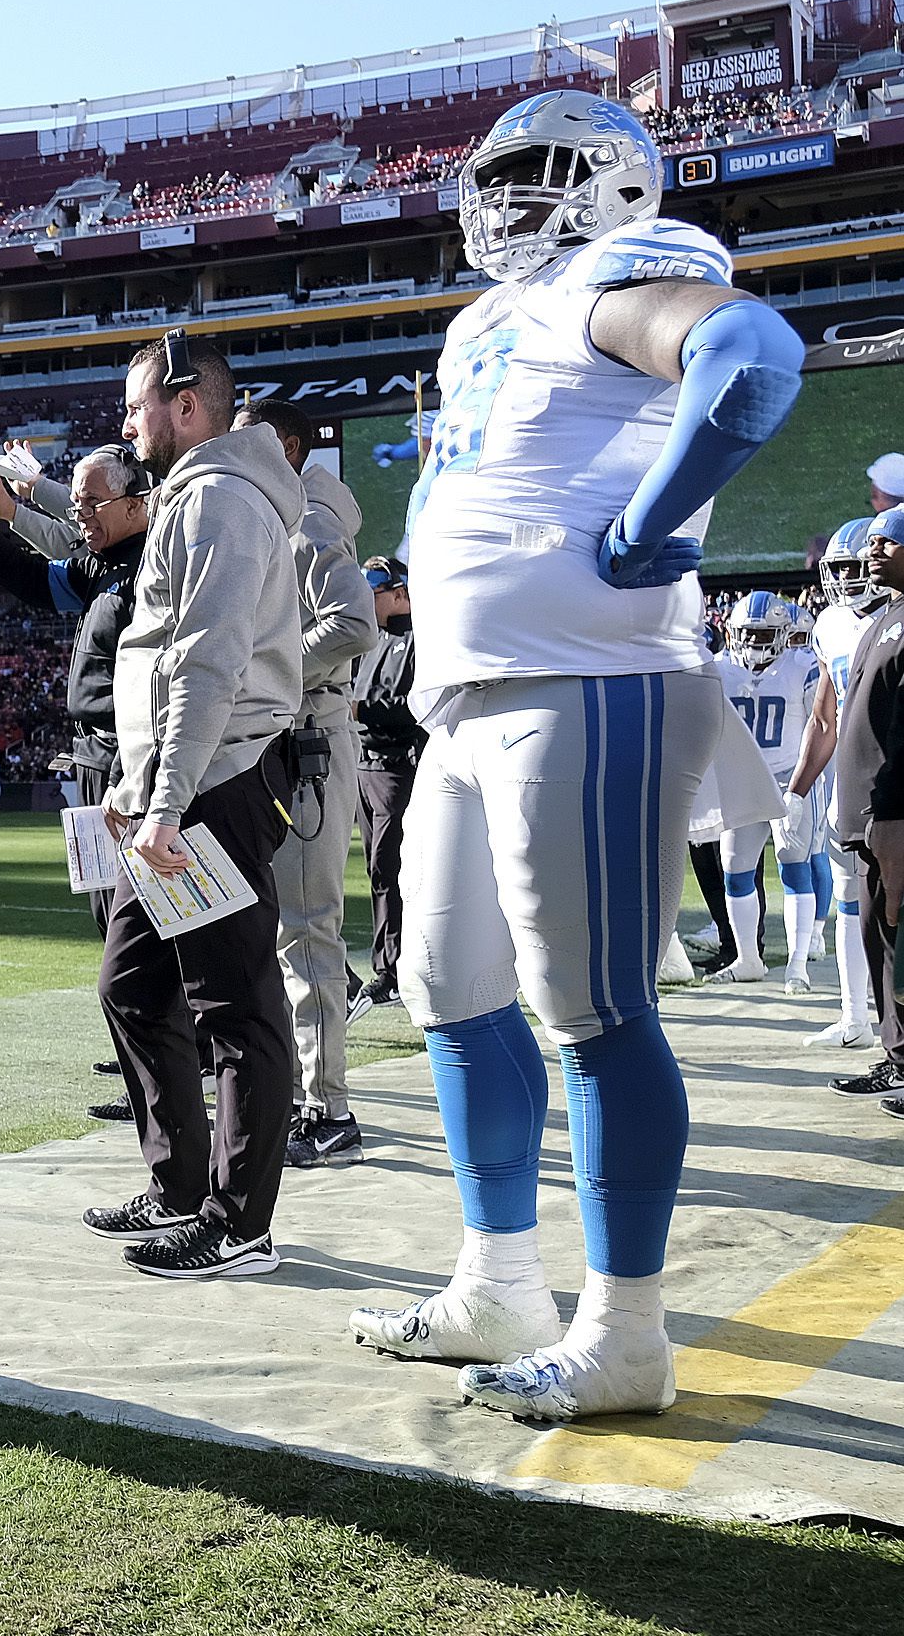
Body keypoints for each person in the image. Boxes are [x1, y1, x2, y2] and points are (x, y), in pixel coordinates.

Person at [349, 90, 804, 1421]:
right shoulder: (485, 319)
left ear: (610, 182)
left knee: (593, 1011)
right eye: (495, 176)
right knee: (448, 987)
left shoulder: (625, 264)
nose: (503, 199)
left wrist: (658, 521)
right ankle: (499, 1283)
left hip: (593, 677)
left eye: (536, 173)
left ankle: (627, 1333)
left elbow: (752, 357)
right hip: (470, 696)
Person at [80, 330, 305, 1279]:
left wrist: (164, 799)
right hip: (176, 786)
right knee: (130, 984)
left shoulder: (216, 498)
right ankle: (180, 1184)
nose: (126, 426)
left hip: (212, 783)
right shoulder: (197, 495)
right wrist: (141, 792)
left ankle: (237, 1221)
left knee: (235, 1006)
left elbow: (206, 660)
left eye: (135, 407)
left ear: (186, 402)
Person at [0, 442, 153, 1122]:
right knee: (110, 918)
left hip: (129, 761)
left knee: (143, 929)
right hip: (91, 758)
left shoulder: (157, 562)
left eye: (90, 504)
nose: (78, 515)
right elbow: (34, 582)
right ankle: (148, 1063)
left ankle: (169, 1070)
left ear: (138, 502)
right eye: (75, 504)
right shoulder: (101, 562)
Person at [230, 398, 377, 1168]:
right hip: (287, 732)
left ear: (284, 446)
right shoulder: (286, 511)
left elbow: (354, 625)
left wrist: (270, 672)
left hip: (308, 736)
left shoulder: (310, 518)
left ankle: (331, 1110)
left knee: (308, 927)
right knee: (280, 928)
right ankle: (299, 1095)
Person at [803, 517, 893, 1049]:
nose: (845, 579)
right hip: (850, 787)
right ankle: (855, 1015)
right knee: (849, 903)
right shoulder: (830, 625)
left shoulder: (897, 618)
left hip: (891, 783)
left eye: (855, 567)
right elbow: (824, 717)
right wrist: (795, 794)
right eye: (836, 568)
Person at [825, 510, 904, 1113]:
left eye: (886, 541)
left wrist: (891, 816)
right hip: (867, 817)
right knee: (877, 937)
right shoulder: (885, 618)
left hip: (892, 818)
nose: (872, 550)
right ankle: (896, 1052)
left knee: (898, 939)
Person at [707, 592, 824, 986]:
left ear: (783, 633)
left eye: (764, 635)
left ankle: (797, 965)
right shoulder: (720, 668)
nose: (754, 644)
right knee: (735, 874)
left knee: (795, 869)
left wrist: (805, 785)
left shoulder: (802, 665)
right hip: (743, 779)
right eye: (746, 634)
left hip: (790, 779)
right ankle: (748, 959)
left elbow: (821, 725)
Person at [349, 556, 420, 1017]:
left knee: (393, 867)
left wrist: (360, 709)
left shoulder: (421, 637)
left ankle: (401, 969)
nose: (365, 604)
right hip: (364, 764)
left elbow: (415, 705)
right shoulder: (367, 638)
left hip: (399, 767)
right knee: (379, 871)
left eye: (372, 594)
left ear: (398, 593)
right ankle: (387, 969)